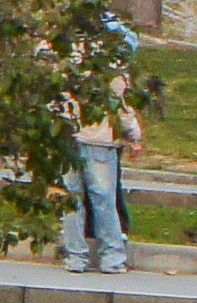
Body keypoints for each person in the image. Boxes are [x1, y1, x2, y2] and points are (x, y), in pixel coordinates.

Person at [59, 43, 145, 275]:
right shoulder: (113, 72)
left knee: (71, 201)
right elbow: (122, 109)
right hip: (101, 142)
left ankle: (75, 256)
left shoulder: (68, 68)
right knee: (104, 200)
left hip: (69, 139)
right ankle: (111, 257)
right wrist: (134, 136)